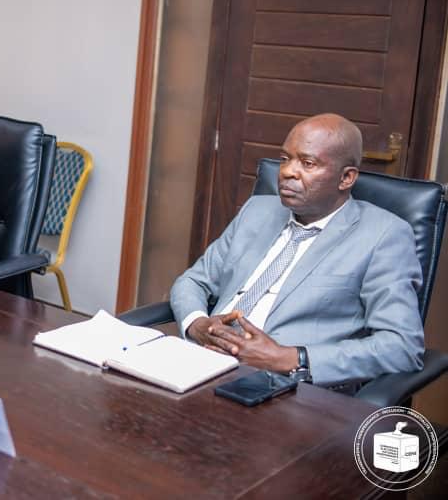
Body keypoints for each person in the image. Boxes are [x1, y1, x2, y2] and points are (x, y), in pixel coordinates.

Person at [171, 113, 424, 387]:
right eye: (284, 159)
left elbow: (402, 346)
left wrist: (291, 358)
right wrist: (197, 324)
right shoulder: (257, 210)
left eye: (307, 163)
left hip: (281, 386)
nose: (287, 172)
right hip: (201, 361)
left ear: (346, 178)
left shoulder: (383, 235)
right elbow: (193, 281)